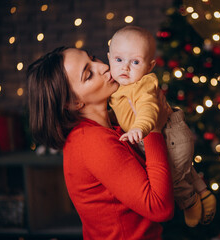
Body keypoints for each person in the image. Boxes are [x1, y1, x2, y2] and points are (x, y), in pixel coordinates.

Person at [27, 46, 174, 240]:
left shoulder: (110, 125)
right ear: (72, 103)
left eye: (93, 58)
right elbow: (159, 207)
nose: (103, 67)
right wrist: (153, 129)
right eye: (89, 74)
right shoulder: (92, 142)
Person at [108, 26, 216, 227]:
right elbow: (122, 112)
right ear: (109, 58)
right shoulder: (121, 87)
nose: (125, 68)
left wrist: (140, 127)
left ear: (149, 66)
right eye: (119, 60)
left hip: (166, 134)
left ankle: (189, 201)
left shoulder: (141, 85)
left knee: (172, 177)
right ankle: (204, 192)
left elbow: (148, 107)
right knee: (184, 168)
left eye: (135, 62)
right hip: (174, 134)